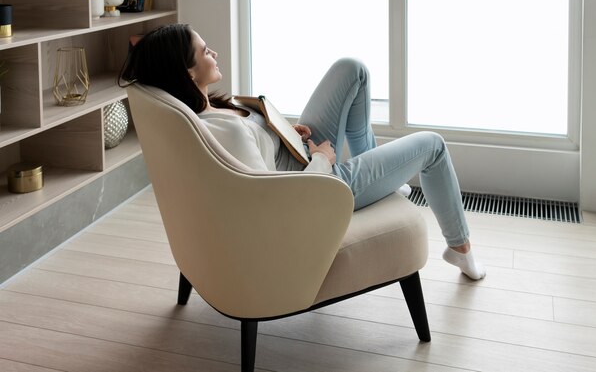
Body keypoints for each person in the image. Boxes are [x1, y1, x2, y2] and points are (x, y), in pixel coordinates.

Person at [119, 23, 486, 280]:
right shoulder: (222, 130)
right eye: (204, 51)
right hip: (316, 185)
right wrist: (324, 160)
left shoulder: (210, 108)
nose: (213, 52)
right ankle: (461, 248)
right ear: (187, 72)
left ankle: (385, 181)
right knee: (433, 146)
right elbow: (275, 201)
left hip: (297, 153)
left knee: (352, 70)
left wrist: (280, 131)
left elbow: (256, 153)